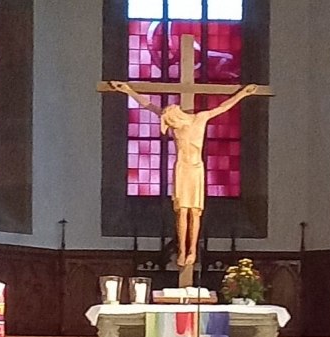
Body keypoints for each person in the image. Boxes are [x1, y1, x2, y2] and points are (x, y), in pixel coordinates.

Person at [107, 81, 260, 267]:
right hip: (182, 169)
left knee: (195, 212)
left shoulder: (200, 118)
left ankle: (193, 250)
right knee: (181, 212)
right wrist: (128, 90)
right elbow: (148, 105)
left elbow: (223, 107)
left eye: (170, 111)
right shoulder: (175, 126)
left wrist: (243, 93)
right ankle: (181, 250)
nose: (170, 111)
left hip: (196, 168)